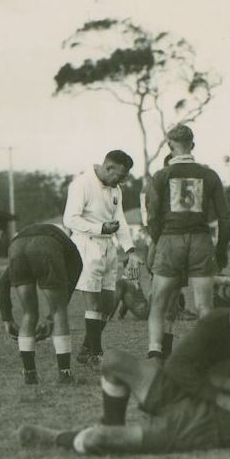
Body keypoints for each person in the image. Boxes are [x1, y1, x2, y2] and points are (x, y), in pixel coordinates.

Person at [19, 298, 230, 457]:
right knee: (112, 361)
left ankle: (56, 438)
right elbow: (213, 376)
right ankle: (113, 421)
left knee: (101, 438)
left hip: (203, 427)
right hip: (188, 396)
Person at [146, 124, 230, 361]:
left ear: (170, 146)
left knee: (159, 303)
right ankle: (209, 355)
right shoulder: (209, 174)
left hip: (170, 240)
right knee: (205, 306)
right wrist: (222, 248)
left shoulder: (161, 175)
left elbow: (152, 216)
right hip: (201, 241)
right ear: (192, 145)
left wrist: (158, 242)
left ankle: (155, 352)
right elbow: (225, 217)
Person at [62, 150, 142, 366]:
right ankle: (95, 354)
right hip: (86, 246)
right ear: (109, 168)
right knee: (93, 303)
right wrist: (99, 227)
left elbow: (120, 220)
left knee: (108, 304)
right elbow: (70, 219)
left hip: (108, 248)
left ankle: (87, 350)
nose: (123, 180)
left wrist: (130, 250)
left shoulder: (116, 189)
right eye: (121, 175)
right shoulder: (82, 184)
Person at [0, 223, 82, 385]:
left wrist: (7, 319)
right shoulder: (69, 249)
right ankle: (64, 374)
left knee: (29, 313)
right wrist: (51, 316)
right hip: (45, 247)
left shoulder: (26, 238)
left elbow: (0, 285)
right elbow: (76, 270)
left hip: (16, 247)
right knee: (59, 311)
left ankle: (30, 373)